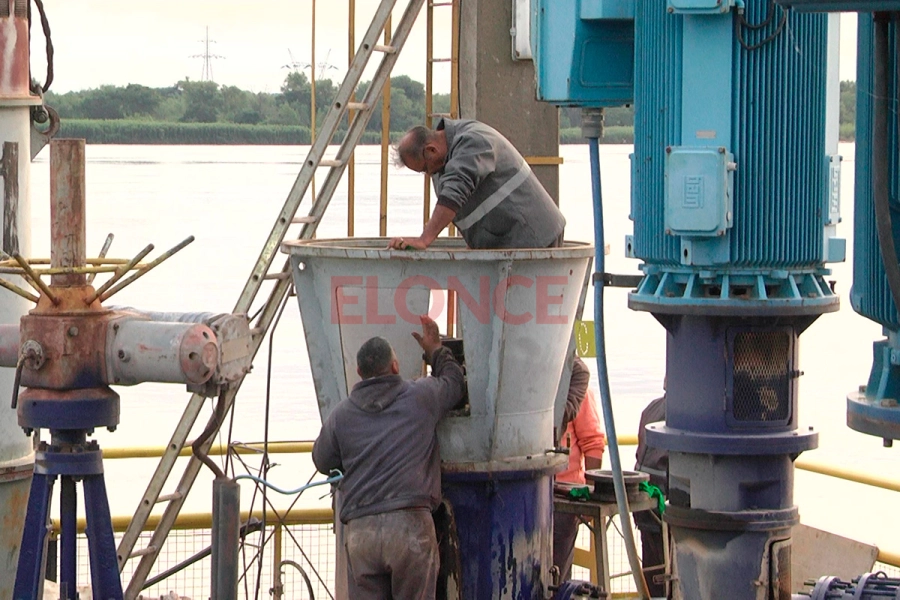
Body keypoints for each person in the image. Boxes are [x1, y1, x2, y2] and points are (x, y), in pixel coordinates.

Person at [312, 315, 465, 600]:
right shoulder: (421, 396)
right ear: (395, 366)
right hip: (410, 528)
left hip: (361, 531)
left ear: (359, 372)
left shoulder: (341, 415)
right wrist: (435, 350)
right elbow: (454, 382)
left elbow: (322, 460)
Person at [388, 119, 566, 250]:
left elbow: (453, 194)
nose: (429, 174)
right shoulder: (442, 164)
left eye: (425, 168)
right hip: (506, 243)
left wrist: (423, 240)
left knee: (526, 301)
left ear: (431, 150)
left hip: (535, 238)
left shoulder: (473, 141)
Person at [552, 356, 606, 582]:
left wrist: (591, 493)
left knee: (557, 568)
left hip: (567, 495)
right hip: (540, 492)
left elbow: (593, 444)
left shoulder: (577, 391)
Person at [634, 393, 668, 598]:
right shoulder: (685, 413)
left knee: (653, 572)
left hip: (646, 502)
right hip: (668, 508)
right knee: (666, 573)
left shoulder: (651, 408)